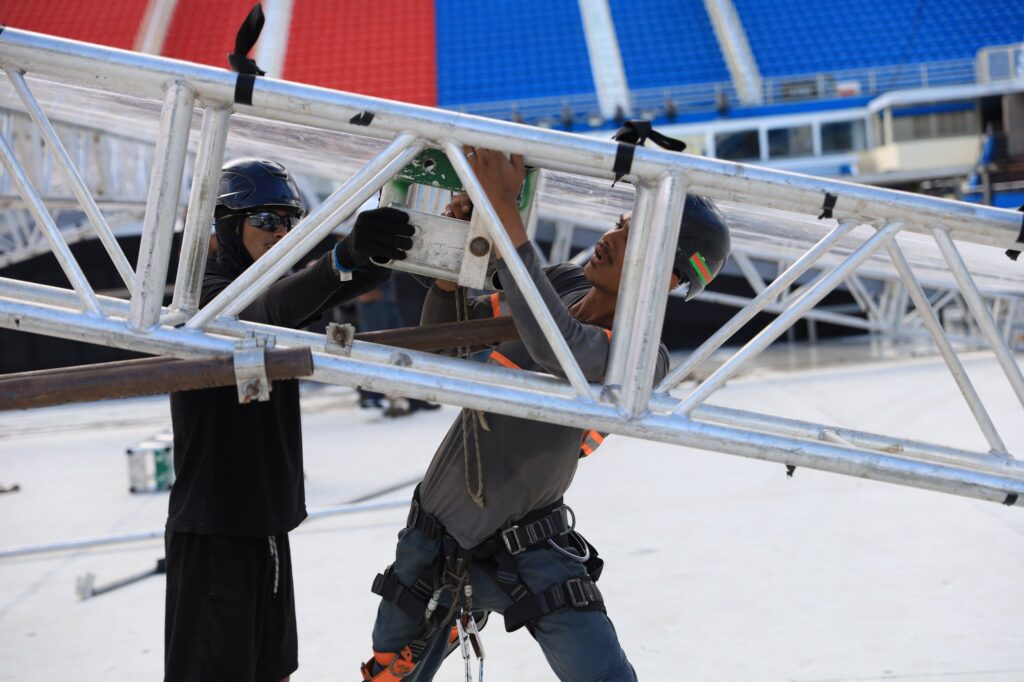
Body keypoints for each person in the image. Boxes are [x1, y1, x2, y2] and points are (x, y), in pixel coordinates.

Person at [359, 148, 731, 681]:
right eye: (621, 222)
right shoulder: (558, 282)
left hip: (527, 550)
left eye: (634, 233)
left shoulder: (641, 355)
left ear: (669, 279)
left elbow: (557, 343)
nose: (611, 235)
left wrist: (505, 211)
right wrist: (454, 266)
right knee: (390, 674)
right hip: (434, 536)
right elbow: (443, 351)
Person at [165, 158, 414, 682]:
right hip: (215, 531)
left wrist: (377, 251)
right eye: (266, 220)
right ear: (228, 228)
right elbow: (261, 313)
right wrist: (339, 258)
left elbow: (322, 289)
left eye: (288, 221)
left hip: (266, 523)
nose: (280, 233)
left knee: (273, 670)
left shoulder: (270, 290)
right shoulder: (200, 301)